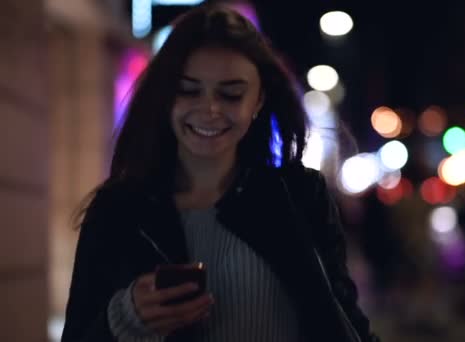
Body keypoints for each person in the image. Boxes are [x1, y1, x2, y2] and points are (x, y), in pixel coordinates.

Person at [61, 4, 380, 342]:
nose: (209, 109)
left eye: (231, 94)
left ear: (258, 101)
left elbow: (347, 325)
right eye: (188, 90)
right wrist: (127, 317)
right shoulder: (119, 211)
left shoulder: (299, 197)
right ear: (165, 95)